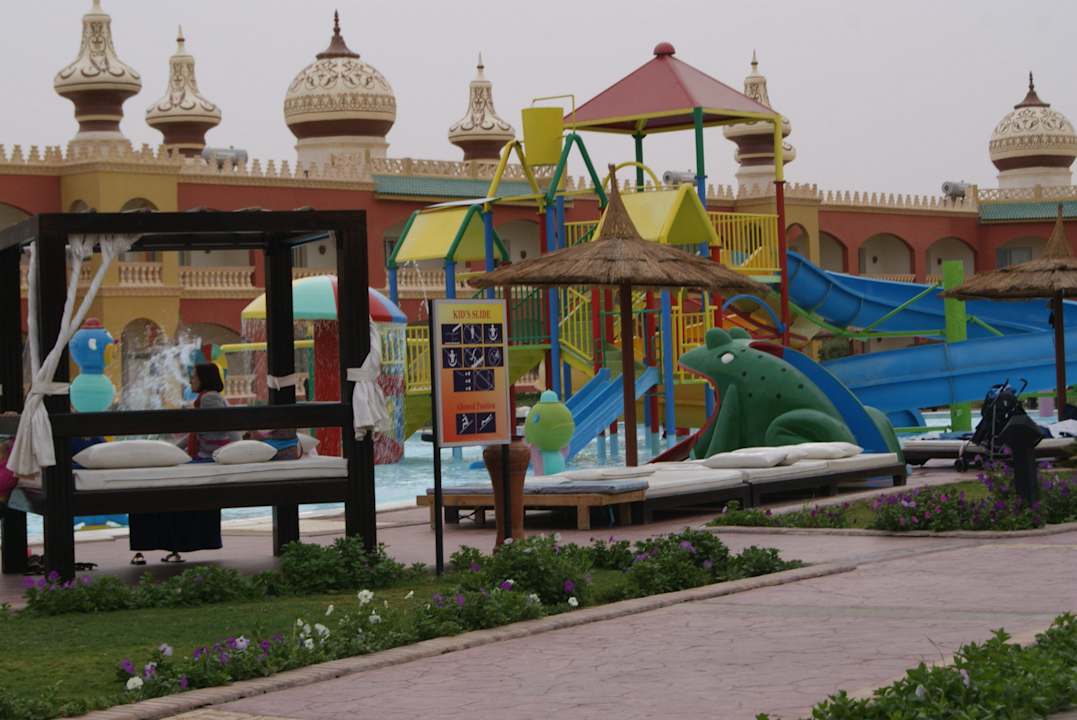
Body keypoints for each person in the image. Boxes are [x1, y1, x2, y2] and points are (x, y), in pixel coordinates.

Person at [128, 364, 237, 565]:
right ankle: (171, 544)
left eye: (194, 377)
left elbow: (226, 427)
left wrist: (238, 450)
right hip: (202, 457)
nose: (190, 381)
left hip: (206, 458)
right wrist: (173, 450)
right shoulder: (205, 398)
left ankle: (164, 542)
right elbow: (196, 432)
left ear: (204, 378)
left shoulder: (210, 399)